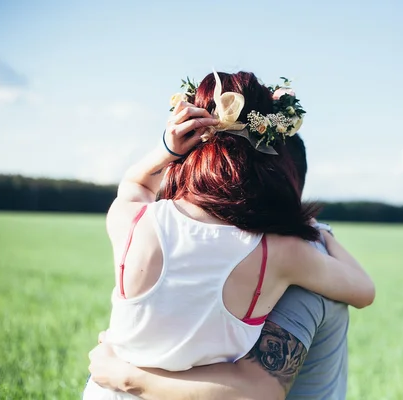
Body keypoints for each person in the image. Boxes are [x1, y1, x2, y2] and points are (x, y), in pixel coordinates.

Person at [83, 70, 374, 400]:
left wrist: (168, 148)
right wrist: (322, 234)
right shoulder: (277, 252)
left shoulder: (133, 220)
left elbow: (134, 184)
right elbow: (364, 290)